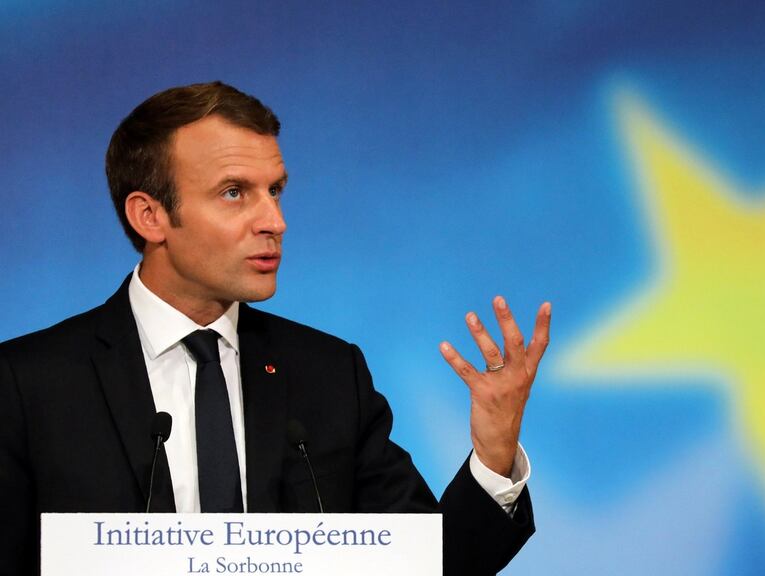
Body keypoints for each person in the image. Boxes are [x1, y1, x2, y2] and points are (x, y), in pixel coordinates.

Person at [0, 81, 550, 575]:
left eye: (276, 190)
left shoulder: (329, 375)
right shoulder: (28, 385)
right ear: (150, 216)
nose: (274, 222)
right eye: (234, 192)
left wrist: (495, 452)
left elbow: (428, 565)